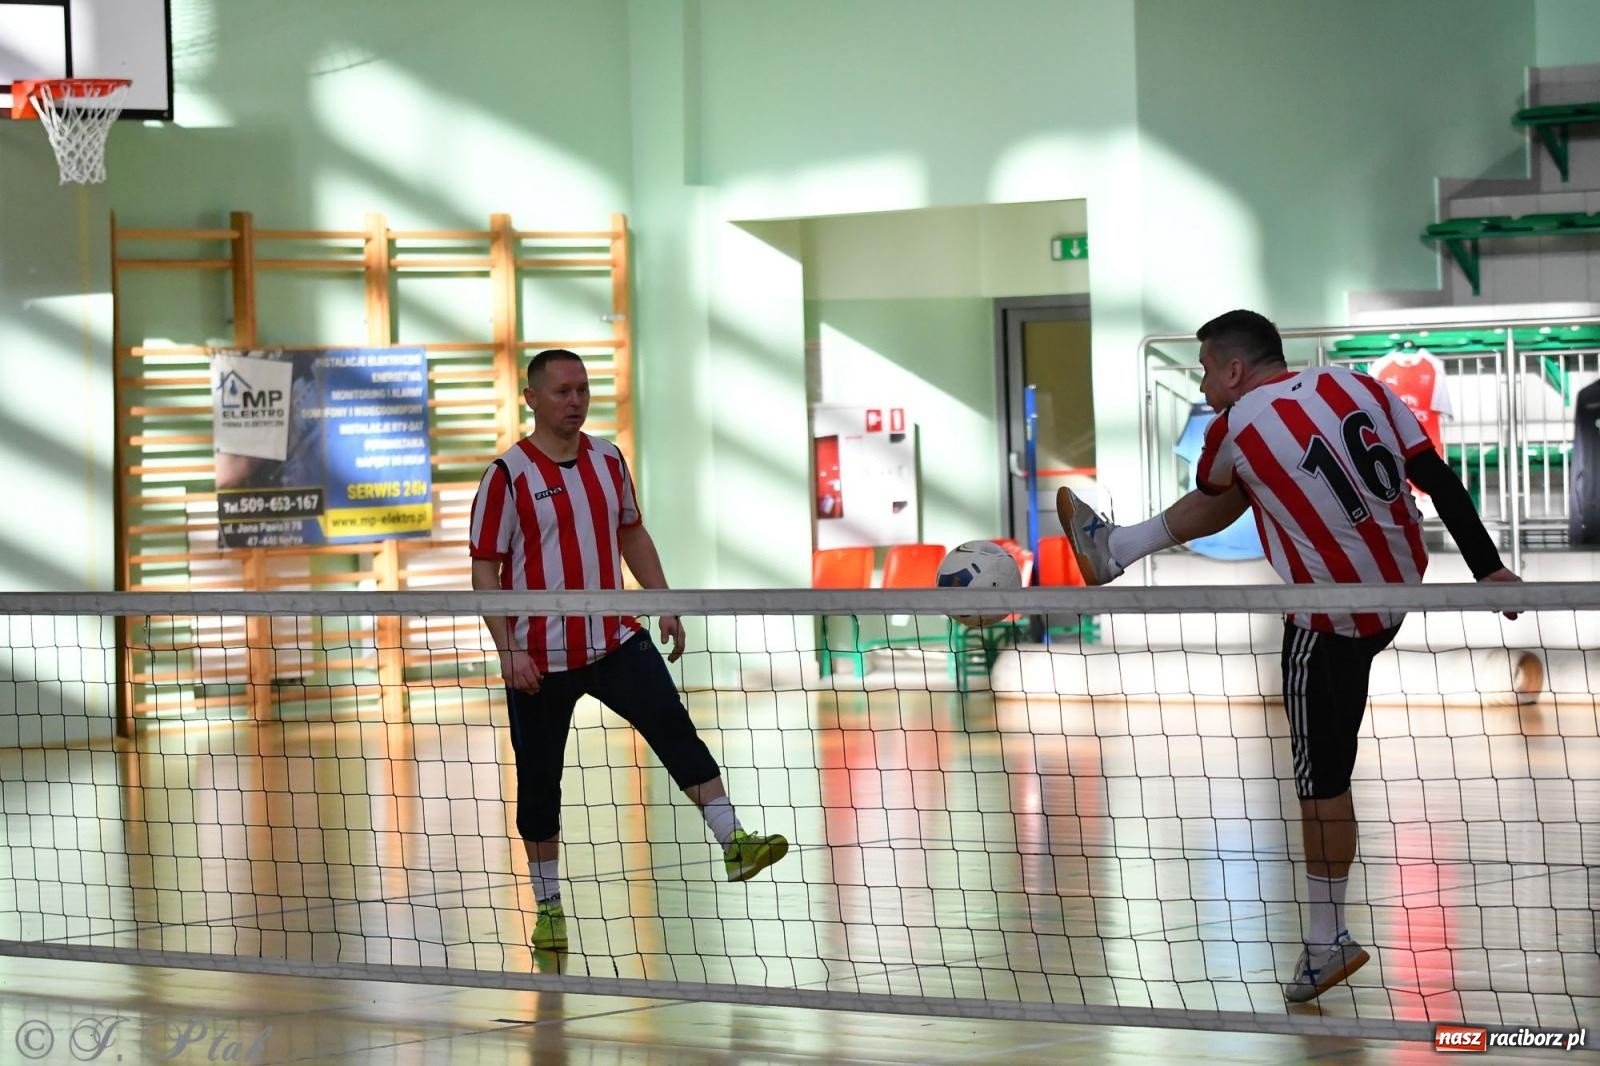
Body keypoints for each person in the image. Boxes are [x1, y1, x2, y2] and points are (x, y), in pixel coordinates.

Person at [1058, 310, 1520, 1003]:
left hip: (1325, 620)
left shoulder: (1236, 426)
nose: (1207, 385)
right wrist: (1489, 571)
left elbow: (1217, 486)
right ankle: (1114, 550)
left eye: (1209, 370)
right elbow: (1436, 475)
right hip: (1396, 594)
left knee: (1320, 783)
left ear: (1236, 369)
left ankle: (1326, 939)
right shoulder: (1357, 384)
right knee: (1248, 486)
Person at [470, 348, 788, 952]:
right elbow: (485, 568)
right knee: (540, 786)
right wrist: (508, 647)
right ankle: (548, 908)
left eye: (583, 390)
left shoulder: (609, 460)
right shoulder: (507, 476)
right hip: (540, 657)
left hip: (616, 636)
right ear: (532, 398)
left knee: (674, 726)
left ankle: (734, 839)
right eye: (562, 391)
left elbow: (630, 532)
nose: (575, 401)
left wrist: (662, 600)